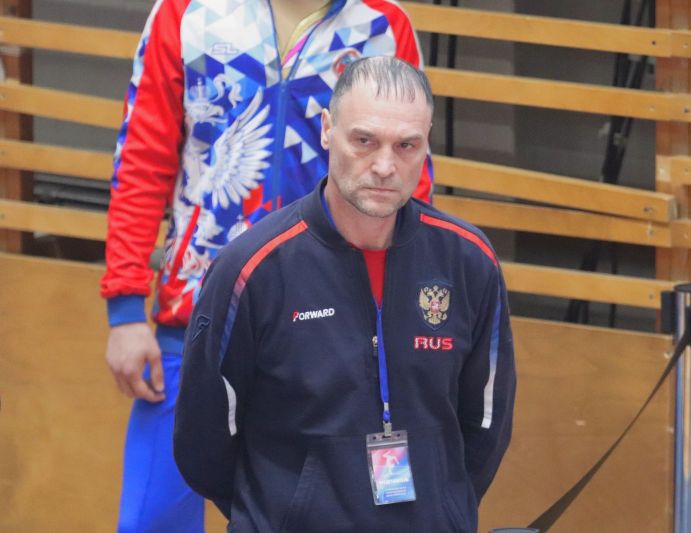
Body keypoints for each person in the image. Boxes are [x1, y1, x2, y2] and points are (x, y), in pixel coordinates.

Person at [100, 1, 432, 531]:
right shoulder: (185, 12)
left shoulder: (381, 25)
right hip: (196, 319)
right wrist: (124, 307)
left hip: (330, 329)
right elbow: (142, 157)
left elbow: (412, 182)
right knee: (153, 518)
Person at [175, 56, 515, 532]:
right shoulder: (251, 269)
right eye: (364, 140)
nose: (384, 166)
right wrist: (286, 512)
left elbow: (487, 424)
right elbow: (203, 440)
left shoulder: (469, 262)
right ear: (326, 130)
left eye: (406, 145)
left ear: (426, 144)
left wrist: (444, 509)